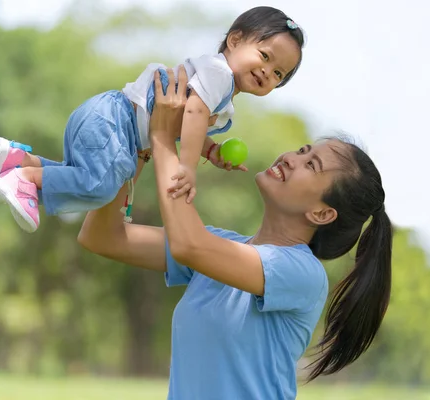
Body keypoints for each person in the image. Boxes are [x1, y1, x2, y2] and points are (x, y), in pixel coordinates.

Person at [77, 67, 393, 399]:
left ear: (322, 213)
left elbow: (188, 245)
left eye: (312, 165)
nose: (292, 159)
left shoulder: (302, 274)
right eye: (303, 151)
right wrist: (139, 143)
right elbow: (103, 237)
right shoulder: (218, 246)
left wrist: (163, 137)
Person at [0, 6, 305, 233]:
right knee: (98, 188)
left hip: (109, 119)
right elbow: (191, 113)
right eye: (264, 56)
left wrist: (208, 151)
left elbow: (186, 121)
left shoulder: (219, 91)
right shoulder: (219, 74)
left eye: (278, 73)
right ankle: (25, 180)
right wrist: (187, 167)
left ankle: (18, 161)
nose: (267, 71)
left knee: (82, 177)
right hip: (116, 125)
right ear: (234, 40)